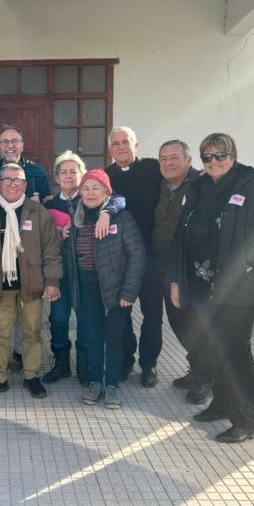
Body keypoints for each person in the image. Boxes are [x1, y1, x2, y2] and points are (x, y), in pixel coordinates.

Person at [169, 133, 254, 443]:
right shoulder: (198, 189)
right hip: (203, 284)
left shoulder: (252, 187)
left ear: (232, 155)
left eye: (220, 155)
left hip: (239, 288)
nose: (213, 162)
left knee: (235, 352)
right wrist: (178, 281)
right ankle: (221, 405)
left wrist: (250, 265)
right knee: (215, 346)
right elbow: (183, 238)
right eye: (207, 157)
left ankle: (247, 421)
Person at [0, 164, 62, 401]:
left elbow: (51, 249)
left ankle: (31, 375)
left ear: (26, 185)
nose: (11, 184)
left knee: (32, 332)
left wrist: (52, 280)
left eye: (17, 180)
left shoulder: (38, 212)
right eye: (6, 180)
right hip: (0, 284)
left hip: (32, 284)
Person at [42, 151, 125, 385]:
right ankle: (61, 364)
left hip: (86, 275)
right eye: (63, 172)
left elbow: (118, 199)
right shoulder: (49, 205)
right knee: (58, 319)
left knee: (86, 320)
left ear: (82, 174)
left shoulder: (90, 199)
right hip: (59, 274)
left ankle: (85, 365)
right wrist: (57, 233)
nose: (68, 176)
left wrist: (107, 212)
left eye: (73, 171)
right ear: (57, 177)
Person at [0, 125, 50, 365]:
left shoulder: (38, 172)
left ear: (22, 144)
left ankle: (21, 354)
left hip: (28, 255)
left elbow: (49, 203)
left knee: (29, 319)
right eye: (5, 142)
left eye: (15, 141)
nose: (10, 145)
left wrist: (41, 204)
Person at [70, 170, 146, 408]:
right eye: (86, 188)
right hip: (87, 288)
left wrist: (128, 293)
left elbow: (138, 256)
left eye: (96, 188)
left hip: (116, 291)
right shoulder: (77, 218)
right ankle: (95, 382)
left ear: (107, 192)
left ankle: (112, 385)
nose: (90, 193)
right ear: (80, 192)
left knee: (114, 337)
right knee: (93, 337)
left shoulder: (121, 218)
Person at [104, 127, 163, 387]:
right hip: (120, 259)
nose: (120, 147)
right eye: (115, 143)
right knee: (121, 314)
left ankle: (149, 364)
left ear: (136, 145)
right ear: (110, 149)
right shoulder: (107, 176)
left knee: (152, 314)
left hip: (151, 256)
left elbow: (180, 179)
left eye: (125, 142)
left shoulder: (153, 168)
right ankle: (126, 360)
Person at [152, 140, 208, 404]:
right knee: (178, 322)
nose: (168, 163)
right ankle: (196, 368)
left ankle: (205, 377)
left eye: (174, 158)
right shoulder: (162, 185)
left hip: (190, 269)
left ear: (188, 160)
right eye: (163, 159)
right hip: (164, 265)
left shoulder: (201, 185)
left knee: (194, 323)